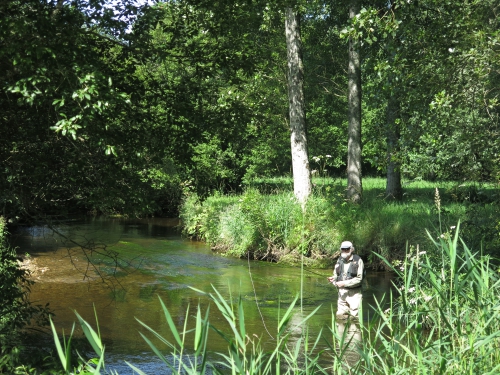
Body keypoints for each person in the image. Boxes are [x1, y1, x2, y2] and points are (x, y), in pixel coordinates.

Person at [327, 241, 364, 319]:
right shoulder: (339, 260)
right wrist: (333, 278)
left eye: (347, 249)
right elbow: (336, 274)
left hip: (354, 293)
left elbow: (359, 279)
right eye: (343, 249)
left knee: (354, 318)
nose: (344, 251)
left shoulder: (358, 260)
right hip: (342, 293)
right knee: (340, 317)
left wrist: (344, 283)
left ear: (352, 249)